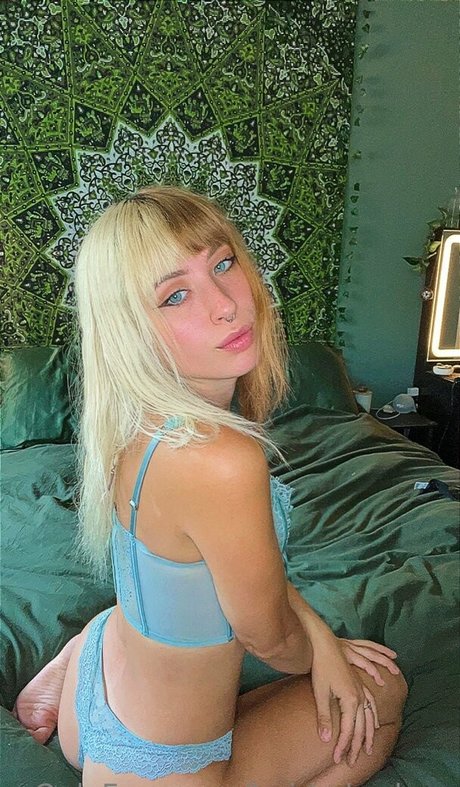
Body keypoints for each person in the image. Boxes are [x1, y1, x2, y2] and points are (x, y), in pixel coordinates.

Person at [13, 185, 407, 786]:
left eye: (223, 264)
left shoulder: (137, 422)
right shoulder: (222, 459)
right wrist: (325, 653)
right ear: (130, 331)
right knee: (383, 697)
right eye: (175, 295)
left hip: (95, 696)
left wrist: (319, 633)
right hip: (163, 767)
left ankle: (72, 655)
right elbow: (269, 639)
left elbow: (232, 568)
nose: (224, 304)